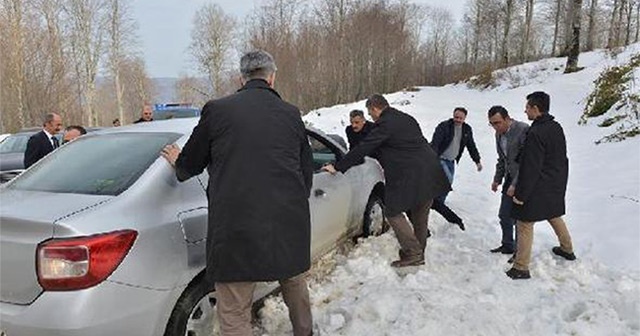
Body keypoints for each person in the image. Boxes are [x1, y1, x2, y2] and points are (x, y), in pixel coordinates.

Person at [161, 50, 314, 335]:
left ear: (241, 78)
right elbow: (305, 175)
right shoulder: (291, 114)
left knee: (233, 309)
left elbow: (190, 166)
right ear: (272, 77)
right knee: (295, 289)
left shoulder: (217, 110)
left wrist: (177, 161)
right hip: (287, 225)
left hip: (236, 228)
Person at [322, 94, 450, 268]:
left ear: (375, 109)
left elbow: (365, 147)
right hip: (430, 171)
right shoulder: (405, 118)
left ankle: (413, 253)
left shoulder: (385, 123)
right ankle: (418, 254)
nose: (371, 117)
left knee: (392, 212)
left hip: (409, 175)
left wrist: (338, 166)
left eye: (370, 112)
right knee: (420, 214)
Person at [506, 91, 576, 280]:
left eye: (527, 107)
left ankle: (521, 267)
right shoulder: (555, 127)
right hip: (556, 181)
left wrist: (521, 194)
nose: (525, 110)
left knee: (524, 223)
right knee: (553, 214)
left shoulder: (536, 132)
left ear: (535, 109)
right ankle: (567, 249)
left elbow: (531, 168)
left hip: (538, 185)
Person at [487, 106, 529, 255]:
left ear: (507, 118)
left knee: (519, 218)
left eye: (497, 123)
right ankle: (507, 245)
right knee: (504, 215)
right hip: (509, 176)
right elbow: (502, 159)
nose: (494, 127)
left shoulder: (523, 129)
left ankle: (519, 251)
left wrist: (515, 184)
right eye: (491, 124)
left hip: (523, 178)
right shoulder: (498, 134)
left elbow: (527, 161)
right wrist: (497, 179)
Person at [431, 107, 482, 201]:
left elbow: (471, 145)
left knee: (447, 182)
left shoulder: (466, 129)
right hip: (440, 159)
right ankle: (437, 203)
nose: (457, 120)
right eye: (456, 117)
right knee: (447, 181)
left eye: (460, 118)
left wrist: (477, 161)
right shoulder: (444, 126)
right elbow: (435, 143)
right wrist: (433, 159)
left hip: (451, 161)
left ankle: (439, 202)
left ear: (465, 118)